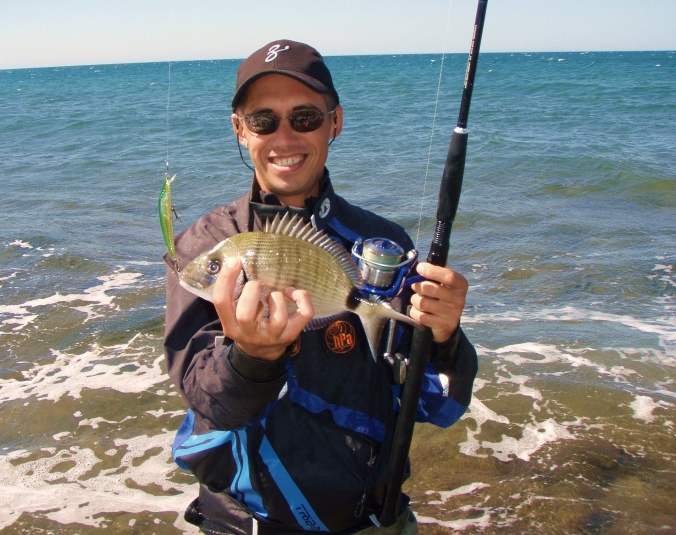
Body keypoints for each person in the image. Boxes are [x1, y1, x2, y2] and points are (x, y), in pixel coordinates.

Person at [164, 40, 477, 535]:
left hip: (374, 520)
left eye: (304, 117)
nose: (284, 137)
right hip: (243, 524)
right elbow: (208, 401)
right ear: (240, 130)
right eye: (264, 120)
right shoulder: (208, 246)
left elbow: (435, 406)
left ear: (336, 123)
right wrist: (251, 358)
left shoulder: (385, 246)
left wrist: (446, 341)